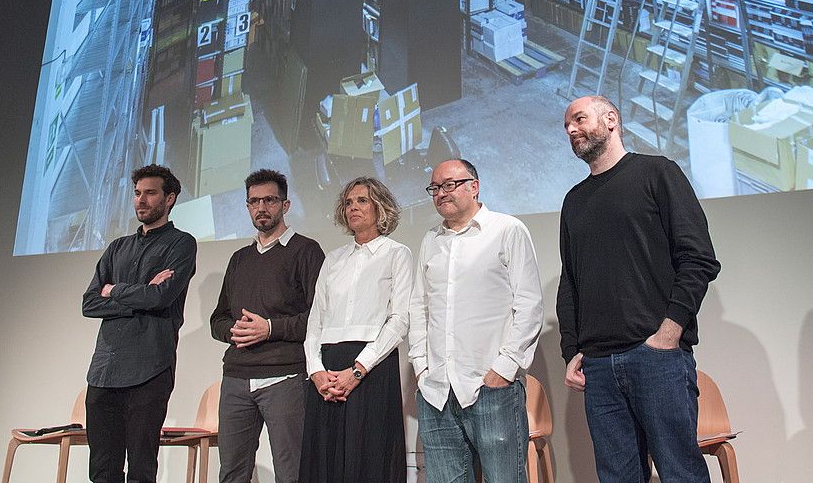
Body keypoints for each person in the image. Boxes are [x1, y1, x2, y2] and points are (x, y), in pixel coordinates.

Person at [558, 95, 721, 483]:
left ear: (611, 119)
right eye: (566, 126)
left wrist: (669, 333)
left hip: (656, 357)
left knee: (680, 473)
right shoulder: (574, 200)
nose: (571, 130)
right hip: (597, 365)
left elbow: (698, 258)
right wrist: (572, 350)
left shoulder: (657, 173)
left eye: (579, 119)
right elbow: (571, 283)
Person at [409, 158, 543, 483]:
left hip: (490, 386)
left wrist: (504, 369)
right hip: (437, 391)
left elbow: (529, 304)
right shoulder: (431, 240)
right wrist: (421, 368)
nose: (441, 193)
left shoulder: (507, 229)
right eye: (435, 188)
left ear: (474, 186)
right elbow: (419, 307)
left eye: (449, 184)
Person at [81, 164, 197, 483]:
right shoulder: (117, 248)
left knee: (141, 470)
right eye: (137, 193)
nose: (141, 200)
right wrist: (142, 292)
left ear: (169, 198)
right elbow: (89, 303)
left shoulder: (181, 244)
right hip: (105, 371)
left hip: (150, 369)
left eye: (150, 193)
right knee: (102, 471)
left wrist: (115, 290)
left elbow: (161, 297)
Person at [210, 169, 325, 483]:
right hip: (235, 379)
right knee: (232, 474)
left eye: (270, 200)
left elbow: (320, 319)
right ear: (247, 206)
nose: (262, 208)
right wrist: (232, 331)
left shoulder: (307, 251)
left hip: (285, 378)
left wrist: (270, 329)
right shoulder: (239, 259)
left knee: (292, 473)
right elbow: (217, 319)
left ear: (285, 205)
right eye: (254, 201)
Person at [299, 177, 412, 483]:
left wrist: (359, 369)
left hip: (372, 366)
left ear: (380, 207)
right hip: (327, 368)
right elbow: (315, 322)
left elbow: (399, 319)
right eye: (348, 202)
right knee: (325, 459)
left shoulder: (397, 254)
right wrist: (316, 371)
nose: (353, 208)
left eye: (362, 200)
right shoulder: (333, 259)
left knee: (369, 459)